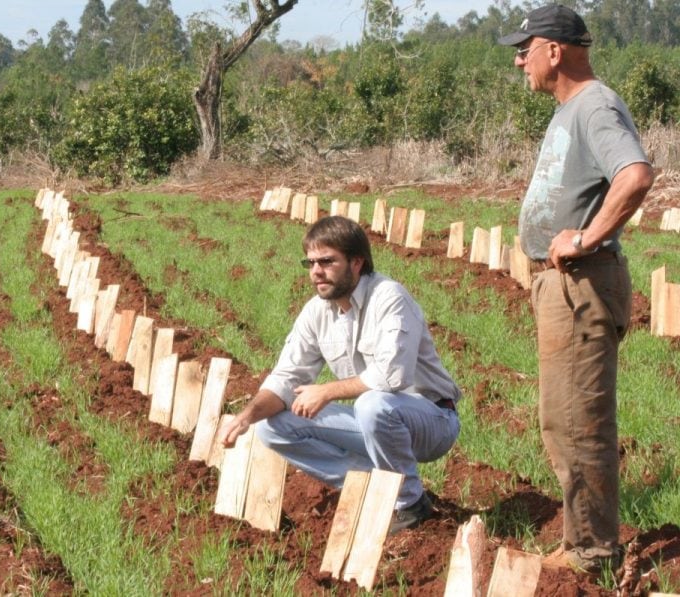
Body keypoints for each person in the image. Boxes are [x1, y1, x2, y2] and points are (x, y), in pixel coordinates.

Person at [498, 4, 654, 575]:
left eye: (525, 49)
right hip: (564, 285)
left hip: (580, 284)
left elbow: (635, 175)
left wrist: (586, 237)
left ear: (554, 51)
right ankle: (581, 541)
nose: (519, 61)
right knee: (561, 420)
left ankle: (592, 554)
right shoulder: (571, 109)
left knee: (579, 421)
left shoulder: (594, 104)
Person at [220, 215, 461, 534]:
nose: (316, 271)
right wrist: (246, 416)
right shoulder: (316, 312)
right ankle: (376, 486)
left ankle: (411, 505)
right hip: (377, 427)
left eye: (327, 261)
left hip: (430, 422)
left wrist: (327, 390)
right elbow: (286, 378)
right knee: (272, 425)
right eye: (310, 262)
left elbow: (393, 377)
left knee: (373, 404)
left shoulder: (389, 298)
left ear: (357, 262)